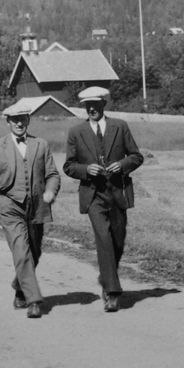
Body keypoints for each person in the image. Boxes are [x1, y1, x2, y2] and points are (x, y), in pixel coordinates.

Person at [62, 86, 143, 312]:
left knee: (117, 240)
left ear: (103, 105)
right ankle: (112, 292)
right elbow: (68, 166)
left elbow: (137, 156)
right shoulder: (76, 132)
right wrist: (87, 169)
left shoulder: (120, 126)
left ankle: (107, 278)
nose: (91, 110)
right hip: (93, 195)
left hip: (118, 192)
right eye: (88, 107)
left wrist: (123, 165)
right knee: (103, 239)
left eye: (95, 105)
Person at [0, 100, 60, 319]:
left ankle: (19, 284)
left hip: (37, 207)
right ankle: (34, 300)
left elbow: (52, 174)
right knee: (21, 251)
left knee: (35, 252)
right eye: (15, 120)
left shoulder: (41, 145)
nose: (19, 123)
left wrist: (51, 191)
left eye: (23, 119)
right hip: (10, 207)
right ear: (8, 122)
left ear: (28, 120)